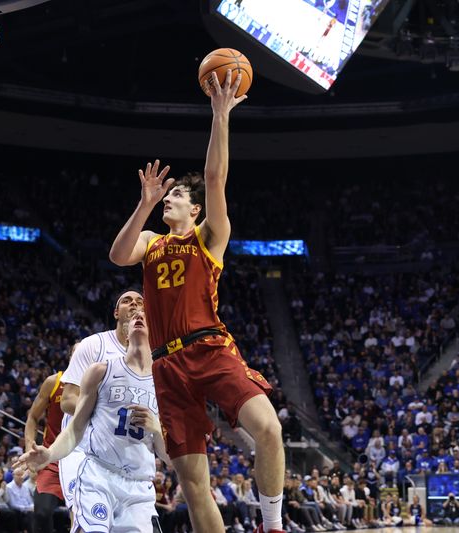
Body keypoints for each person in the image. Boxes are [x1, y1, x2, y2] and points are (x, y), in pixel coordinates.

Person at [109, 69, 283, 533]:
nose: (172, 198)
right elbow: (118, 254)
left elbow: (214, 175)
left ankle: (272, 524)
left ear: (196, 210)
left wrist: (220, 115)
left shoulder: (210, 237)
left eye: (177, 196)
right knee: (192, 483)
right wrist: (146, 202)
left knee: (267, 427)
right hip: (167, 366)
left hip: (208, 347)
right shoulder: (151, 241)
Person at [16, 311, 170, 532]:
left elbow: (168, 457)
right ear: (124, 333)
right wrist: (49, 454)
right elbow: (75, 428)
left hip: (139, 486)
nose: (138, 315)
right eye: (134, 315)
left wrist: (156, 429)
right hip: (99, 475)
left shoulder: (165, 381)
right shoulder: (100, 371)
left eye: (145, 315)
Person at [58, 290, 144, 511]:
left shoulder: (152, 358)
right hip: (81, 447)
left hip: (123, 455)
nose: (134, 305)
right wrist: (104, 412)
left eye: (140, 302)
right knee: (81, 517)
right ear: (116, 312)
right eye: (127, 301)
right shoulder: (93, 345)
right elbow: (67, 400)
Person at [24, 372, 65, 533]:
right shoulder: (54, 382)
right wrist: (29, 449)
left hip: (83, 459)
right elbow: (33, 417)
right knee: (42, 513)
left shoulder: (97, 381)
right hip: (52, 457)